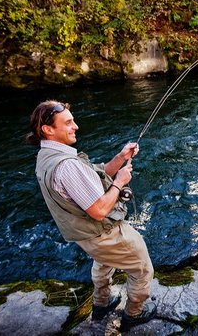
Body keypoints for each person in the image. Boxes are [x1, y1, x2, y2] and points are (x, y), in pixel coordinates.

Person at [26, 100, 156, 330]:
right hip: (103, 233)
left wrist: (120, 157)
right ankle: (133, 315)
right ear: (48, 129)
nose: (75, 126)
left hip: (88, 237)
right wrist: (119, 183)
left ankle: (101, 304)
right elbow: (98, 211)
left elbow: (92, 179)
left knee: (104, 262)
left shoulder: (46, 156)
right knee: (142, 268)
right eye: (68, 122)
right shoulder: (67, 165)